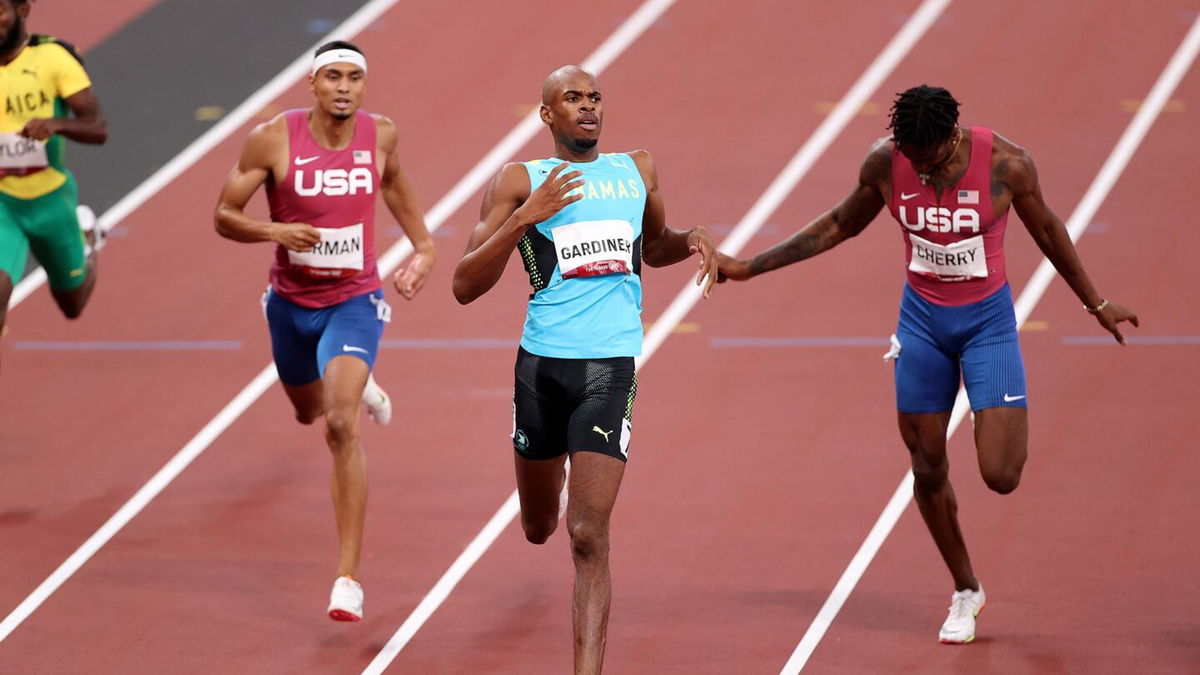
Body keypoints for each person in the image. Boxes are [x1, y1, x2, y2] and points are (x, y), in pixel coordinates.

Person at [717, 85, 1138, 644]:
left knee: (1002, 475)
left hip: (988, 325)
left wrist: (1095, 301)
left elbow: (1049, 231)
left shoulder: (1008, 165)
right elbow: (840, 224)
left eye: (931, 159)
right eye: (913, 160)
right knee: (926, 464)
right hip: (922, 326)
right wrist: (747, 268)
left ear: (952, 135)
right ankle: (966, 588)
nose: (923, 171)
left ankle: (994, 418)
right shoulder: (886, 161)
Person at [452, 65, 717, 673]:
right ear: (548, 115)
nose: (588, 107)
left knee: (586, 534)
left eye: (595, 97)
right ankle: (552, 479)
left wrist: (693, 238)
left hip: (609, 367)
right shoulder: (521, 181)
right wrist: (526, 217)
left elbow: (652, 245)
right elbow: (464, 284)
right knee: (540, 526)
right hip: (541, 369)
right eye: (573, 98)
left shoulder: (636, 170)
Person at [214, 41, 436, 622]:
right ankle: (357, 381)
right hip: (290, 304)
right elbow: (224, 215)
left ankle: (348, 579)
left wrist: (424, 245)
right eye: (333, 77)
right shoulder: (272, 139)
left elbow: (394, 184)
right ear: (312, 85)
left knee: (339, 424)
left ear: (364, 87)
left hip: (354, 299)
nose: (344, 87)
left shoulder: (380, 134)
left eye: (354, 79)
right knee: (307, 410)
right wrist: (274, 233)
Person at [0, 0, 107, 367]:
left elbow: (97, 128)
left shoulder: (53, 58)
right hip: (2, 204)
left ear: (22, 9)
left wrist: (57, 124)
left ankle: (88, 238)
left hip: (49, 199)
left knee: (72, 303)